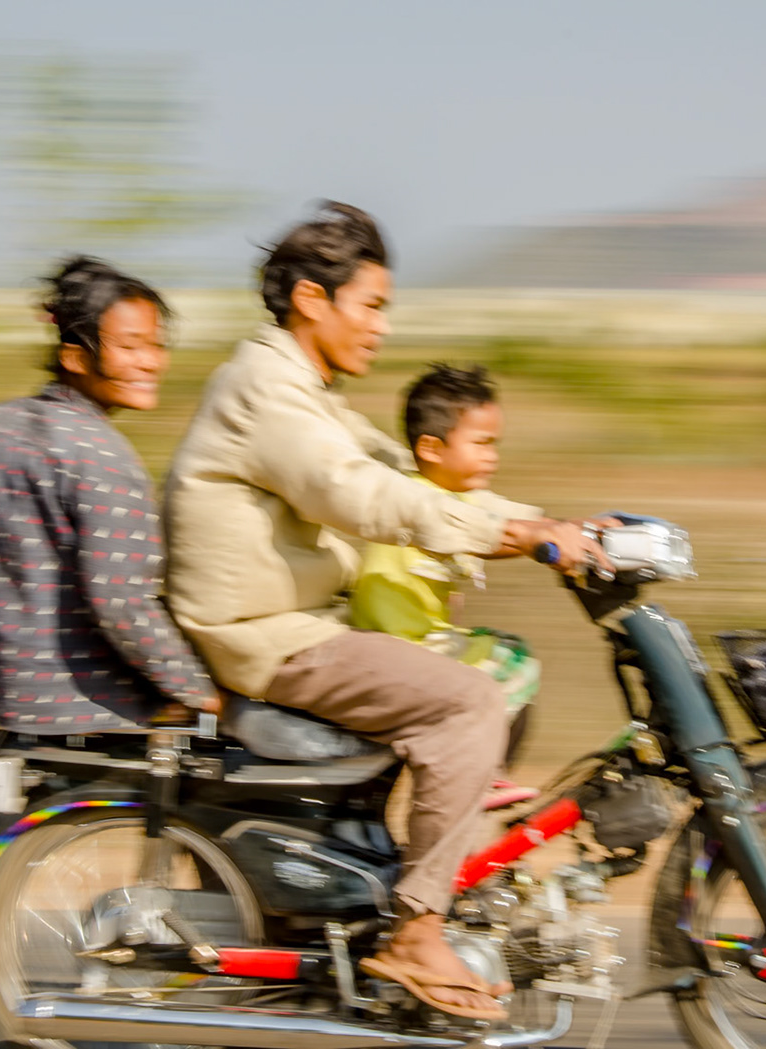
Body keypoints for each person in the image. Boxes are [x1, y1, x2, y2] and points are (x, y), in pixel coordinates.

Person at [162, 202, 605, 1020]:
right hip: (269, 639)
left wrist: (558, 526)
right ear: (310, 299)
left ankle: (399, 875)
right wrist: (524, 533)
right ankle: (416, 928)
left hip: (306, 621)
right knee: (466, 699)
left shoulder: (309, 392)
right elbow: (361, 495)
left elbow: (412, 477)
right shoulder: (269, 390)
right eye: (371, 305)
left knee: (491, 668)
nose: (382, 327)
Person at [0, 256, 216, 733]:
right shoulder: (102, 457)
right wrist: (201, 691)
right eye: (130, 346)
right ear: (74, 357)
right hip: (73, 703)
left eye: (156, 345)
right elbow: (123, 605)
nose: (150, 362)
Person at [348, 363, 540, 810]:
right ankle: (483, 771)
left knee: (504, 646)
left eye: (496, 445)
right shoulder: (424, 506)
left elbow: (502, 523)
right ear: (431, 448)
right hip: (406, 644)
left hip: (412, 637)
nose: (492, 457)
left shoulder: (438, 497)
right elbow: (495, 534)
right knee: (516, 663)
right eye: (482, 444)